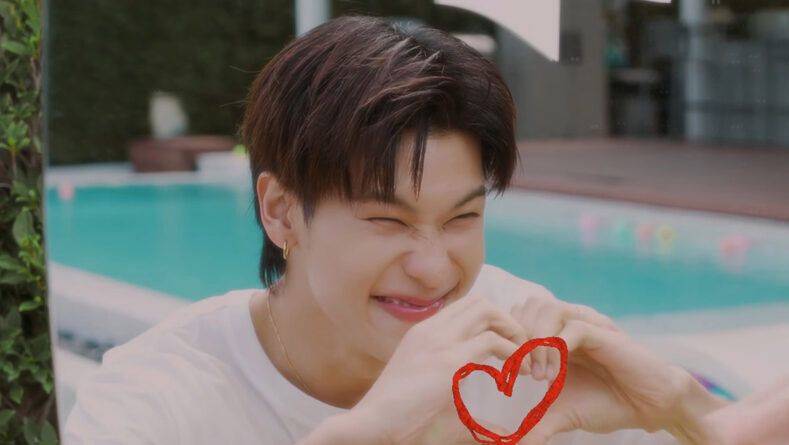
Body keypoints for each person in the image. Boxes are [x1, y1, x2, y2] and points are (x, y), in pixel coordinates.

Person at [64, 16, 727, 444]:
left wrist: (679, 408)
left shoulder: (519, 347)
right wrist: (372, 429)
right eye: (388, 221)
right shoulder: (158, 399)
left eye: (463, 218)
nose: (434, 270)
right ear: (281, 212)